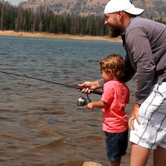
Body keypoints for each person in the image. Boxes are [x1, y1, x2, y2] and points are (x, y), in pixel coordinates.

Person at [79, 0, 166, 166]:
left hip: (164, 81)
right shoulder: (136, 28)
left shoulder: (134, 30)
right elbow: (128, 69)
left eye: (107, 17)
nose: (105, 22)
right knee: (162, 136)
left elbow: (146, 68)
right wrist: (97, 84)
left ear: (120, 14)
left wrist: (138, 104)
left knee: (138, 126)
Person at [87, 54, 130, 166]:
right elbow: (125, 101)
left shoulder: (108, 85)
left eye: (102, 73)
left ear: (110, 72)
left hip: (112, 127)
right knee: (118, 153)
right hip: (123, 125)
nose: (101, 75)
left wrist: (93, 104)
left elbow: (105, 103)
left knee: (113, 155)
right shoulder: (124, 86)